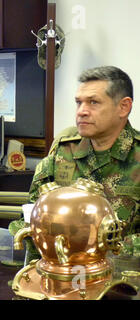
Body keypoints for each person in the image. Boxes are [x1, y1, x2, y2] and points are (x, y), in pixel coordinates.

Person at [10, 66, 140, 257]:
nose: (82, 111)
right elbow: (30, 217)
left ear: (123, 107)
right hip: (60, 271)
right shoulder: (63, 152)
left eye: (93, 102)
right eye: (79, 103)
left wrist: (97, 248)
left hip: (123, 279)